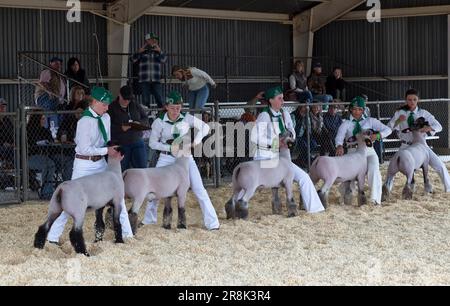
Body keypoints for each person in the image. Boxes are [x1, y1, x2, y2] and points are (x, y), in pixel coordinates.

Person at [47, 86, 133, 244]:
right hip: (84, 165)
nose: (107, 108)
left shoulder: (105, 118)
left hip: (100, 163)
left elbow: (106, 140)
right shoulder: (84, 121)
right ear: (94, 102)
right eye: (104, 104)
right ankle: (52, 238)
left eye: (108, 104)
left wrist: (114, 149)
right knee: (70, 201)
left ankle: (128, 235)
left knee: (117, 196)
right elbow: (84, 148)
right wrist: (106, 150)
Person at [141, 91, 220, 230]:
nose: (175, 111)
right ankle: (149, 220)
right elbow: (152, 143)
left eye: (178, 107)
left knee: (199, 188)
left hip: (185, 158)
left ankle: (212, 223)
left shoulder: (187, 118)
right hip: (166, 158)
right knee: (155, 189)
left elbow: (206, 127)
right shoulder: (159, 122)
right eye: (172, 107)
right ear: (166, 106)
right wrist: (170, 147)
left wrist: (196, 141)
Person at [250, 86, 325, 213]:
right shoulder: (264, 115)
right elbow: (256, 138)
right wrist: (275, 143)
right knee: (257, 184)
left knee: (304, 177)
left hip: (284, 156)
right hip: (266, 157)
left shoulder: (285, 114)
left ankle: (315, 209)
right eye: (279, 99)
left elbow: (292, 131)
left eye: (283, 98)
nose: (282, 101)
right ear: (271, 100)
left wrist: (289, 137)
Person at [385, 88, 450, 192]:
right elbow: (389, 128)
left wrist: (429, 128)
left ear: (418, 100)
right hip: (405, 146)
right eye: (409, 99)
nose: (412, 102)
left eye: (414, 99)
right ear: (405, 100)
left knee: (440, 165)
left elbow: (439, 126)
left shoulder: (423, 113)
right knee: (392, 167)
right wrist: (398, 121)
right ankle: (386, 190)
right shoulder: (400, 113)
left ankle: (448, 189)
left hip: (422, 147)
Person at [335, 96, 392, 205]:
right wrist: (339, 146)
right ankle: (347, 195)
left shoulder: (370, 121)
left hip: (369, 151)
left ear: (363, 110)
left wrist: (379, 135)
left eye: (360, 109)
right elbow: (339, 137)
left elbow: (388, 129)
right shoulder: (345, 123)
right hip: (353, 152)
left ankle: (375, 200)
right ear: (351, 109)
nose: (357, 112)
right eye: (355, 109)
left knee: (374, 170)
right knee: (349, 175)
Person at [108, 85, 148, 171]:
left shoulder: (135, 104)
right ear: (119, 95)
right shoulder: (111, 107)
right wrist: (121, 128)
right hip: (122, 144)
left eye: (129, 99)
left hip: (137, 140)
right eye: (125, 98)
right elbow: (107, 127)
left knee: (143, 170)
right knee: (122, 171)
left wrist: (139, 123)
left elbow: (145, 118)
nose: (127, 101)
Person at [132, 33, 167, 109]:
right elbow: (133, 60)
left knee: (160, 99)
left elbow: (164, 60)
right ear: (147, 41)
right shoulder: (142, 52)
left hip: (156, 79)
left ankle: (161, 116)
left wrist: (160, 51)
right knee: (145, 101)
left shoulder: (157, 52)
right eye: (152, 40)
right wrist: (139, 52)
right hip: (144, 79)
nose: (154, 41)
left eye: (155, 40)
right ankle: (146, 118)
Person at [26, 113, 57, 199]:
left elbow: (51, 141)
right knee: (49, 164)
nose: (44, 121)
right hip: (30, 157)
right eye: (42, 119)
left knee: (51, 163)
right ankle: (46, 192)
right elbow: (30, 145)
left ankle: (47, 190)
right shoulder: (28, 130)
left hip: (44, 156)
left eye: (44, 119)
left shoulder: (44, 130)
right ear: (37, 119)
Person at [35, 57, 67, 128]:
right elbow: (43, 83)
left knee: (61, 112)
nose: (58, 65)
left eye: (59, 63)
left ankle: (55, 129)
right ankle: (50, 128)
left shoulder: (60, 76)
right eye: (55, 63)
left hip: (56, 99)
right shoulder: (47, 71)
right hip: (45, 97)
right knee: (52, 109)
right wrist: (50, 93)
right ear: (50, 64)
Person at [0, 99, 14, 166]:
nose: (2, 108)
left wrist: (13, 142)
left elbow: (13, 133)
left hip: (10, 145)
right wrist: (3, 143)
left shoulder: (7, 120)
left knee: (16, 150)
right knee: (10, 151)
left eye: (4, 107)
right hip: (2, 146)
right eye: (1, 107)